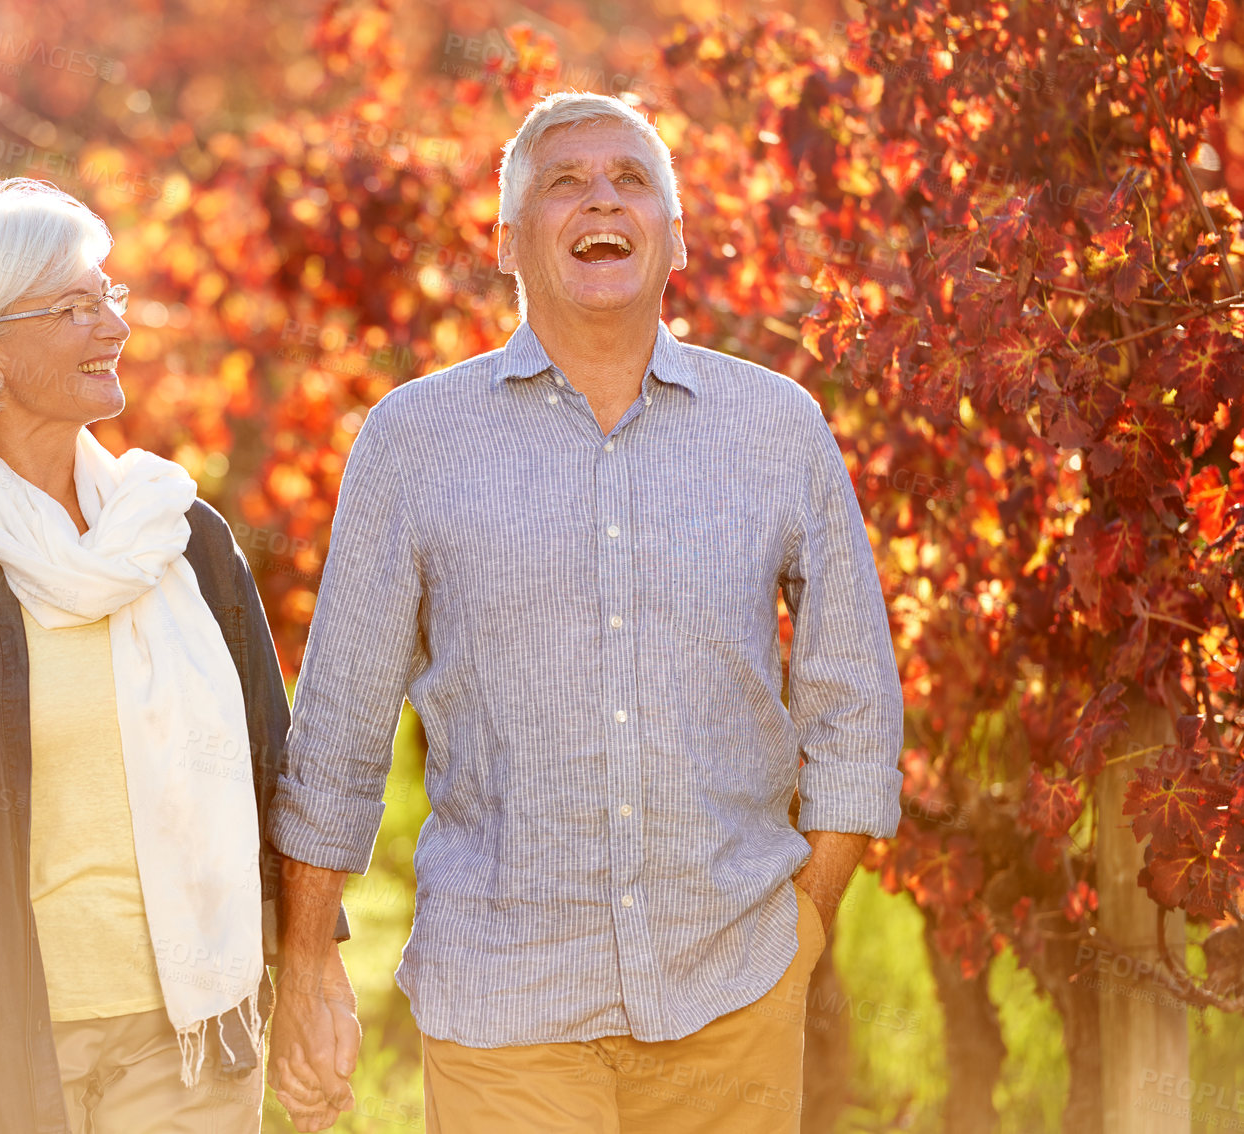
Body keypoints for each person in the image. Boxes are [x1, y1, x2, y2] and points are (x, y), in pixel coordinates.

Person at [265, 92, 904, 1133]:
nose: (599, 198)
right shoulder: (413, 440)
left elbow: (855, 708)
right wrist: (305, 960)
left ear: (676, 236)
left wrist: (805, 929)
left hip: (733, 990)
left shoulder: (778, 429)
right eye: (562, 182)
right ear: (510, 242)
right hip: (504, 1000)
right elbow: (338, 728)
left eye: (630, 179)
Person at [0, 177, 355, 1134]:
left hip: (191, 1039)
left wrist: (314, 978)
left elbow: (274, 776)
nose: (113, 327)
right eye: (73, 307)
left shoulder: (182, 540)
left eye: (109, 298)